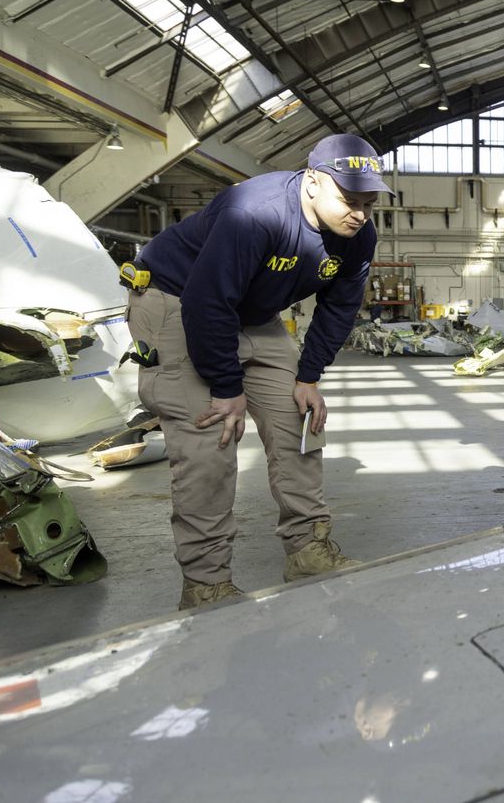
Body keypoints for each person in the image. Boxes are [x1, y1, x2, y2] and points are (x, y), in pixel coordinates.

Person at [125, 133, 393, 610]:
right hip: (178, 300)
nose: (360, 213)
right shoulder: (255, 212)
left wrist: (308, 377)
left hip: (251, 310)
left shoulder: (358, 235)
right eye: (350, 200)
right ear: (312, 182)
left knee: (298, 417)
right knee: (211, 439)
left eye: (369, 203)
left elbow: (340, 308)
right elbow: (207, 303)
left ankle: (308, 549)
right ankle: (206, 584)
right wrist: (227, 388)